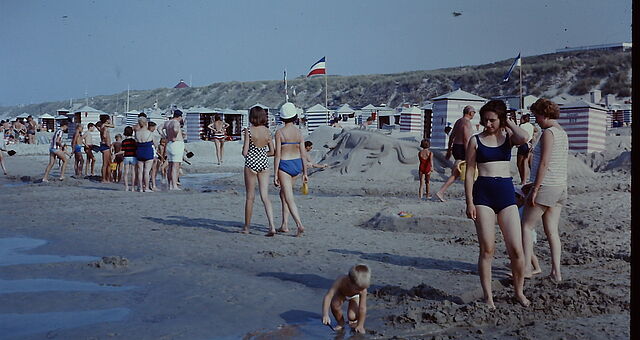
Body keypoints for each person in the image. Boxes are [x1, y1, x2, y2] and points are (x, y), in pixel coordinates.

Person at [463, 100, 530, 308]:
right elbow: (468, 173)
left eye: (492, 120)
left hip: (506, 195)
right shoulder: (475, 140)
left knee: (517, 250)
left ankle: (518, 292)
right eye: (485, 120)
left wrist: (508, 122)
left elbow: (524, 138)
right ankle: (488, 297)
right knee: (487, 249)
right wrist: (469, 202)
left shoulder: (508, 137)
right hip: (483, 195)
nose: (488, 124)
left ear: (500, 119)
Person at [521, 98, 568, 282]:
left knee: (526, 226)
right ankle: (556, 272)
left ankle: (525, 268)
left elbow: (544, 162)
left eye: (537, 116)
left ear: (545, 114)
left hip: (546, 186)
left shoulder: (548, 133)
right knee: (552, 232)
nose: (536, 120)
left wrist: (535, 188)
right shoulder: (562, 132)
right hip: (559, 186)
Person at [241, 106, 276, 236]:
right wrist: (262, 155)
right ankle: (272, 226)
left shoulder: (248, 131)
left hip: (251, 162)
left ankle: (247, 227)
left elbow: (245, 152)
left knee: (250, 197)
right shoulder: (267, 131)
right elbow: (273, 152)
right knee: (265, 196)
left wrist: (252, 154)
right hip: (264, 163)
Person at [274, 102, 307, 237]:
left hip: (285, 164)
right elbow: (304, 154)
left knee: (288, 196)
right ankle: (284, 224)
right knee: (283, 194)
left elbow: (277, 155)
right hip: (297, 163)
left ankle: (299, 224)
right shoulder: (299, 132)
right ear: (294, 117)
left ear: (282, 118)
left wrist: (275, 173)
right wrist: (305, 172)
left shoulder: (280, 132)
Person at [436, 106, 476, 202]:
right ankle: (441, 191)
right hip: (463, 148)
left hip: (456, 147)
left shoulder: (459, 121)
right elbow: (466, 139)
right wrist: (468, 153)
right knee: (464, 172)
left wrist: (449, 150)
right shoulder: (467, 123)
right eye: (474, 112)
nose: (474, 114)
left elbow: (451, 136)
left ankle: (471, 195)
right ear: (470, 113)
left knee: (459, 172)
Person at [322, 264, 370, 334]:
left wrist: (360, 325)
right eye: (358, 289)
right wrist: (325, 314)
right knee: (335, 305)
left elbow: (362, 308)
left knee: (352, 316)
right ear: (349, 280)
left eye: (362, 289)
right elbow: (329, 296)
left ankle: (355, 321)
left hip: (355, 296)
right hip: (341, 293)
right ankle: (341, 323)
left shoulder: (362, 290)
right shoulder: (341, 280)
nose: (361, 291)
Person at [162, 110, 185, 190]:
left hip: (169, 144)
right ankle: (174, 185)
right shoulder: (176, 123)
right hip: (177, 143)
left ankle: (170, 185)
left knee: (170, 166)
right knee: (176, 166)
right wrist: (174, 135)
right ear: (179, 117)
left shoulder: (167, 122)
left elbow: (158, 128)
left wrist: (165, 136)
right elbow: (175, 129)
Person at [136, 117, 155, 192]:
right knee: (146, 171)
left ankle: (140, 187)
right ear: (146, 123)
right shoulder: (150, 133)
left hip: (139, 151)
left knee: (140, 170)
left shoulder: (137, 133)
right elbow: (155, 143)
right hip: (147, 151)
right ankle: (146, 187)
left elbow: (136, 141)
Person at [517, 114, 535, 185]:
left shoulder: (522, 126)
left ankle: (523, 180)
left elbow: (520, 135)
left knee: (519, 164)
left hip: (523, 144)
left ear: (523, 119)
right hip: (530, 144)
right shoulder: (531, 126)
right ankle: (532, 179)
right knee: (529, 163)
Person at [96, 117, 114, 183]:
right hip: (106, 147)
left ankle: (107, 178)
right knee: (106, 164)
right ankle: (104, 179)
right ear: (106, 120)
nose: (110, 121)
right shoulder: (105, 128)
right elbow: (104, 136)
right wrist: (107, 143)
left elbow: (112, 125)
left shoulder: (103, 126)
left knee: (108, 164)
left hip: (106, 146)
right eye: (109, 119)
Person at [120, 126, 137, 191]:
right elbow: (136, 149)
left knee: (126, 172)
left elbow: (123, 150)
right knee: (133, 172)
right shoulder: (134, 141)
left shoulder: (124, 141)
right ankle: (132, 187)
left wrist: (116, 154)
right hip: (133, 157)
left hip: (126, 157)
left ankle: (126, 187)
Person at [148, 121, 160, 191]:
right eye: (154, 127)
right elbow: (155, 145)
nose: (154, 129)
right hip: (152, 152)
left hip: (147, 152)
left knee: (147, 170)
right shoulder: (151, 134)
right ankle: (153, 185)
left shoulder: (143, 133)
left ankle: (146, 184)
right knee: (153, 170)